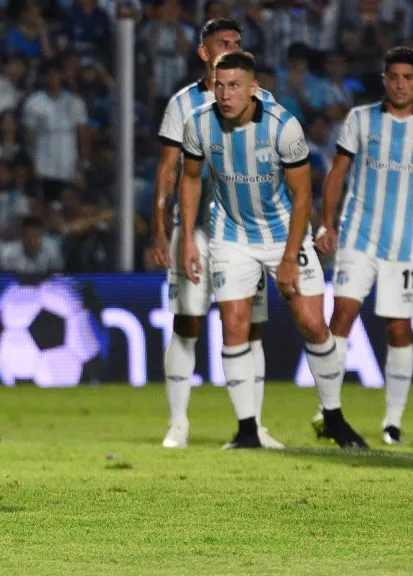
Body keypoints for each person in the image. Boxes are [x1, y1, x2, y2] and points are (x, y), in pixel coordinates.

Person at [179, 52, 367, 449]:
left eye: (234, 86)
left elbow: (302, 197)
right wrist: (187, 242)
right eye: (220, 85)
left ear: (252, 89)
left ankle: (332, 416)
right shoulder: (198, 124)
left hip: (286, 233)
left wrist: (286, 259)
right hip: (230, 233)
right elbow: (192, 179)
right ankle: (247, 430)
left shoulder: (283, 126)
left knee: (314, 324)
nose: (226, 94)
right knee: (234, 325)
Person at [313, 47, 413, 446]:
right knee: (341, 315)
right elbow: (336, 173)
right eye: (393, 76)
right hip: (358, 236)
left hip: (407, 246)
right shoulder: (360, 119)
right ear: (384, 80)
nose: (400, 84)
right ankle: (329, 410)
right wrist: (327, 223)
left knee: (400, 328)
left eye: (407, 77)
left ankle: (392, 422)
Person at [148, 19, 278, 449]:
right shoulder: (183, 104)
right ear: (204, 53)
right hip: (197, 231)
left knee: (251, 326)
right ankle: (178, 423)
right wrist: (159, 228)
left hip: (247, 232)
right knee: (188, 322)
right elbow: (167, 174)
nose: (231, 48)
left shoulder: (263, 101)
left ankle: (253, 425)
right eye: (223, 43)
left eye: (237, 43)